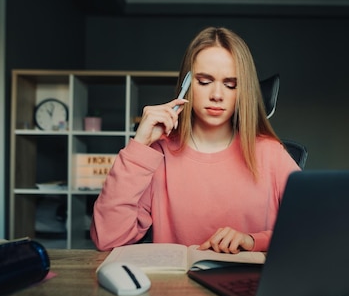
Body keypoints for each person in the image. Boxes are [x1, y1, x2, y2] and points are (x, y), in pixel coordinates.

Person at [91, 26, 300, 254]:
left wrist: (252, 241)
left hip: (252, 287)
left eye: (231, 84)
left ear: (243, 91)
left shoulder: (270, 153)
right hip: (176, 287)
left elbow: (312, 228)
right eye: (204, 81)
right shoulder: (158, 155)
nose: (217, 95)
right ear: (186, 85)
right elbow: (107, 238)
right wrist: (139, 147)